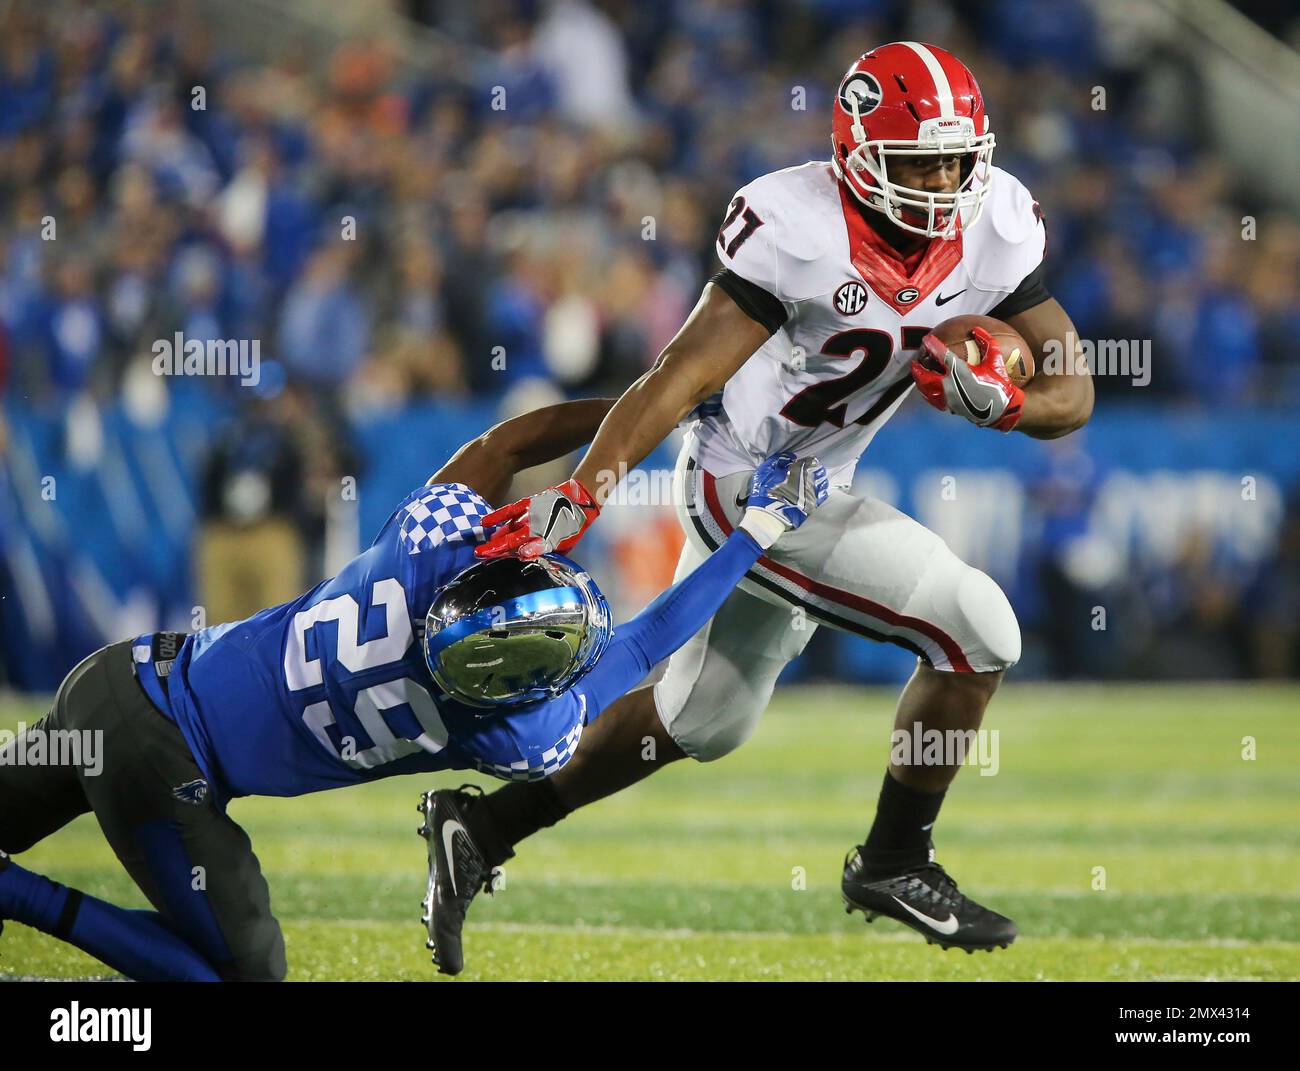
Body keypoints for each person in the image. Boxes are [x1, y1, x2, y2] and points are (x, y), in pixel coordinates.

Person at [431, 42, 1095, 968]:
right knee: (980, 628)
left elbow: (1074, 386)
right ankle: (896, 857)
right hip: (746, 483)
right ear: (858, 155)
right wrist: (587, 489)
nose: (943, 183)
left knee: (705, 720)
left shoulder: (998, 225)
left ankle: (482, 826)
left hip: (820, 483)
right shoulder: (797, 227)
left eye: (956, 159)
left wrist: (1014, 405)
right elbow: (675, 379)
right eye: (918, 163)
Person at [0, 397, 828, 980]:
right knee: (242, 971)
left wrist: (658, 405)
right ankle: (18, 893)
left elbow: (512, 439)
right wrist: (757, 528)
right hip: (163, 764)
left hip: (120, 675)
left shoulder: (426, 544)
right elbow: (652, 634)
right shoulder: (514, 732)